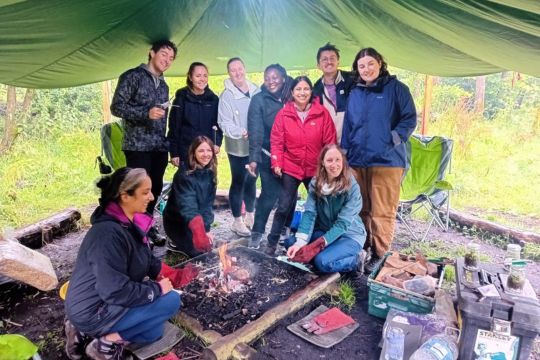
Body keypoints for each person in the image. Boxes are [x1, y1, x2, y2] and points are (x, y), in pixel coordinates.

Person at [64, 168, 186, 360]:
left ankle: (84, 333)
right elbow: (114, 290)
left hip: (103, 301)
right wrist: (155, 289)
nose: (152, 197)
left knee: (153, 333)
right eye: (145, 192)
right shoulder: (107, 235)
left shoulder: (129, 222)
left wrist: (161, 271)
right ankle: (103, 344)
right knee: (171, 301)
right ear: (125, 196)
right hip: (94, 308)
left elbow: (139, 256)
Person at [342, 47, 417, 272]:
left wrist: (393, 138)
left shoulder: (397, 89)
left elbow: (409, 118)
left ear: (380, 64)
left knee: (382, 211)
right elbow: (348, 125)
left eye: (370, 64)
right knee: (361, 208)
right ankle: (364, 246)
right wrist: (345, 151)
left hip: (387, 161)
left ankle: (381, 255)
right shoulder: (355, 92)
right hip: (357, 159)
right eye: (361, 66)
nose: (366, 69)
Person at [110, 40, 177, 246]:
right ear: (151, 53)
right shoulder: (132, 76)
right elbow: (116, 107)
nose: (167, 60)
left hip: (158, 147)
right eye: (164, 54)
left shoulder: (164, 85)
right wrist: (145, 113)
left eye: (171, 58)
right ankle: (130, 230)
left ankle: (145, 227)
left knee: (154, 189)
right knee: (137, 190)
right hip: (137, 146)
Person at [264, 76, 337, 256]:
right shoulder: (284, 114)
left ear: (311, 91)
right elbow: (276, 141)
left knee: (320, 206)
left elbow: (330, 142)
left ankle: (318, 243)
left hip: (315, 168)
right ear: (292, 92)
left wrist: (328, 167)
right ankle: (271, 243)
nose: (302, 93)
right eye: (298, 89)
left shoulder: (322, 114)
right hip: (291, 167)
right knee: (284, 205)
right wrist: (277, 162)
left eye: (306, 89)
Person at [286, 144, 366, 274]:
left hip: (349, 235)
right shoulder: (315, 183)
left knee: (322, 262)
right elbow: (309, 214)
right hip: (325, 230)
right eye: (329, 160)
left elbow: (342, 224)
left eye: (337, 160)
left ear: (343, 162)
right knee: (291, 244)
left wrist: (316, 247)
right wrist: (299, 243)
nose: (334, 164)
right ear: (323, 163)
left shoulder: (352, 188)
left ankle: (357, 259)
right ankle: (327, 253)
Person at [246, 64, 292, 249]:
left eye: (275, 77)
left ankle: (284, 231)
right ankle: (256, 233)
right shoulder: (259, 100)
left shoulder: (292, 94)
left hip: (292, 157)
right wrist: (254, 159)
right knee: (268, 195)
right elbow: (255, 130)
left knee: (290, 195)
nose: (271, 81)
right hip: (268, 156)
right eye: (267, 77)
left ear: (283, 78)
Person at [218, 57, 259, 237]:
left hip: (255, 145)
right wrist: (241, 131)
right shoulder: (226, 95)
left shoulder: (256, 90)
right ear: (229, 73)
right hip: (237, 146)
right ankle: (237, 220)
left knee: (252, 179)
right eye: (233, 70)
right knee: (239, 181)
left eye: (240, 68)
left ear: (245, 69)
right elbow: (224, 122)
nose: (238, 73)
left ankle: (250, 215)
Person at [163, 136, 217, 257]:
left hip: (196, 220)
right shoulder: (184, 175)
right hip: (179, 223)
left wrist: (206, 229)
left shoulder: (210, 172)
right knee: (198, 253)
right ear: (193, 153)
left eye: (209, 150)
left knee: (206, 250)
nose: (206, 154)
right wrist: (199, 232)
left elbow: (208, 204)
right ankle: (174, 242)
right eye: (201, 151)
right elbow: (188, 207)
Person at [168, 62, 221, 170]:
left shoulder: (213, 99)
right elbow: (174, 126)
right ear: (190, 77)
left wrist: (217, 143)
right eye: (198, 76)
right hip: (186, 150)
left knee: (208, 182)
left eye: (205, 76)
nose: (202, 79)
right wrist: (174, 152)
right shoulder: (181, 97)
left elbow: (218, 124)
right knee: (187, 183)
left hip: (206, 151)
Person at [312, 43, 354, 143]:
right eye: (324, 59)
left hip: (354, 143)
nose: (329, 62)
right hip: (330, 146)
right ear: (318, 65)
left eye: (332, 58)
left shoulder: (353, 80)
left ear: (338, 61)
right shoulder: (316, 89)